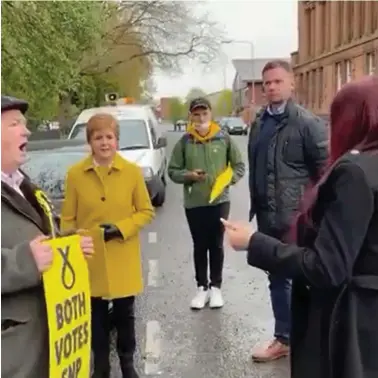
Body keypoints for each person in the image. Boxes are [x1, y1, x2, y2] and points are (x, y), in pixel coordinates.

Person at [223, 76, 378, 378]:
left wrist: (254, 241)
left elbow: (327, 267)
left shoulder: (354, 174)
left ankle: (283, 338)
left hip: (352, 327)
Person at [1, 95, 94, 378]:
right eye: (15, 124)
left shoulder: (23, 184)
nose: (26, 131)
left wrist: (68, 244)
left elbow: (43, 237)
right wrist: (25, 261)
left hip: (55, 347)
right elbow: (28, 255)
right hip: (15, 357)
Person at [60, 113, 155, 378]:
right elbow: (67, 218)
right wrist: (77, 235)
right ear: (90, 142)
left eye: (109, 137)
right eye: (98, 137)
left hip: (123, 254)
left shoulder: (132, 172)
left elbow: (146, 211)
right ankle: (100, 366)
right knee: (96, 318)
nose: (104, 143)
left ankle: (127, 364)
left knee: (125, 316)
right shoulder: (75, 175)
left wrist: (121, 228)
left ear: (117, 141)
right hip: (90, 259)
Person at [247, 59, 328, 361]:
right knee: (277, 277)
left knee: (299, 276)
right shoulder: (259, 122)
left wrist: (315, 214)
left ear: (291, 84)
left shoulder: (307, 124)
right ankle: (286, 337)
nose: (271, 87)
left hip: (296, 218)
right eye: (267, 83)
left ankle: (300, 336)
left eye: (278, 81)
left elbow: (325, 172)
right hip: (268, 215)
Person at [168, 97, 245, 310]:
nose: (200, 118)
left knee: (217, 244)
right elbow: (172, 171)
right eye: (196, 114)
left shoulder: (223, 138)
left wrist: (227, 181)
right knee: (200, 245)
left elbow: (239, 166)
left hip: (219, 201)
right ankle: (201, 288)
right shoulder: (185, 142)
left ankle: (216, 288)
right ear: (191, 117)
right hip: (195, 202)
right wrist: (190, 175)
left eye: (204, 114)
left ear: (211, 115)